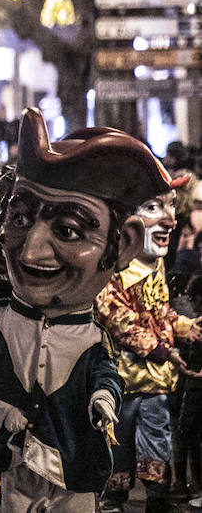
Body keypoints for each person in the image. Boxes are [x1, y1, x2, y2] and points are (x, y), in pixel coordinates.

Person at [0, 108, 168, 513]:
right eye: (18, 219)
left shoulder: (92, 338)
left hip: (73, 471)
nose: (30, 251)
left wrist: (103, 399)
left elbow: (107, 376)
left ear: (122, 246)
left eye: (68, 230)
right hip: (17, 468)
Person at [97, 174, 201, 513]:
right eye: (154, 207)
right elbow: (114, 316)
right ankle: (114, 498)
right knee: (119, 442)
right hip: (121, 381)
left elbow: (161, 315)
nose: (170, 219)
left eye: (171, 207)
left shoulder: (155, 266)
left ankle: (157, 497)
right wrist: (161, 348)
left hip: (156, 382)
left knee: (157, 440)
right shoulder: (112, 269)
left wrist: (187, 328)